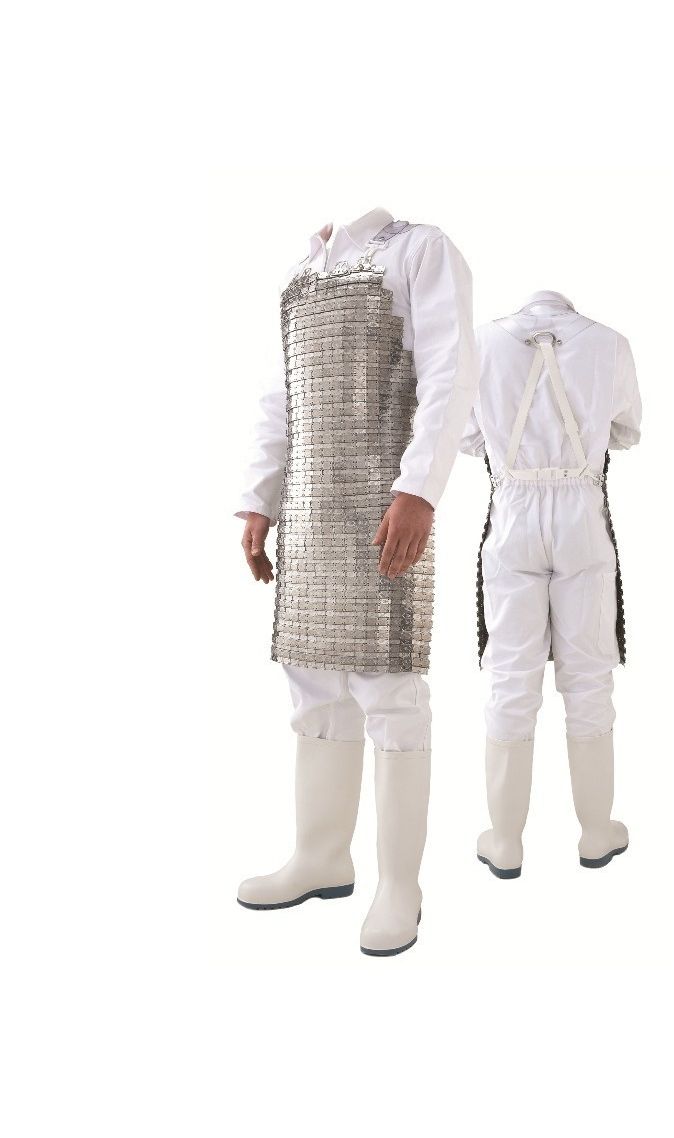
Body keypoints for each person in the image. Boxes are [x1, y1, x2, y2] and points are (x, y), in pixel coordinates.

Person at [236, 208, 477, 955]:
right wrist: (260, 498)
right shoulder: (299, 276)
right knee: (312, 681)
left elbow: (450, 372)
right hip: (310, 508)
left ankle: (400, 886)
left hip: (384, 499)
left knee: (389, 687)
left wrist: (420, 489)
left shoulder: (419, 250)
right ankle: (320, 856)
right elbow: (282, 399)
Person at [460, 290, 641, 878]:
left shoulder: (480, 344)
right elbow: (626, 431)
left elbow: (467, 438)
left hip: (512, 514)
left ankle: (505, 840)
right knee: (588, 674)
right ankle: (595, 832)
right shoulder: (610, 343)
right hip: (582, 514)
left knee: (511, 676)